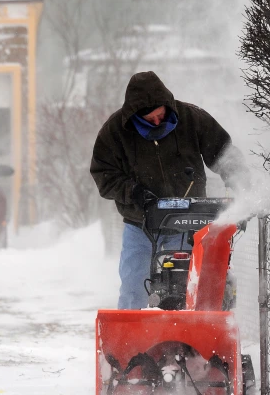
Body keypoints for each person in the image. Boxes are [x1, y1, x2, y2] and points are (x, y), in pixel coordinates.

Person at [90, 71, 247, 309]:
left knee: (184, 285)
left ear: (168, 106)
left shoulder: (192, 119)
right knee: (134, 284)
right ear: (134, 116)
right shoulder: (114, 132)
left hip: (186, 221)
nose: (157, 122)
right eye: (149, 119)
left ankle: (185, 340)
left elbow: (224, 153)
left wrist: (239, 181)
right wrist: (134, 192)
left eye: (160, 115)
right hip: (139, 222)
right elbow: (104, 174)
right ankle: (130, 340)